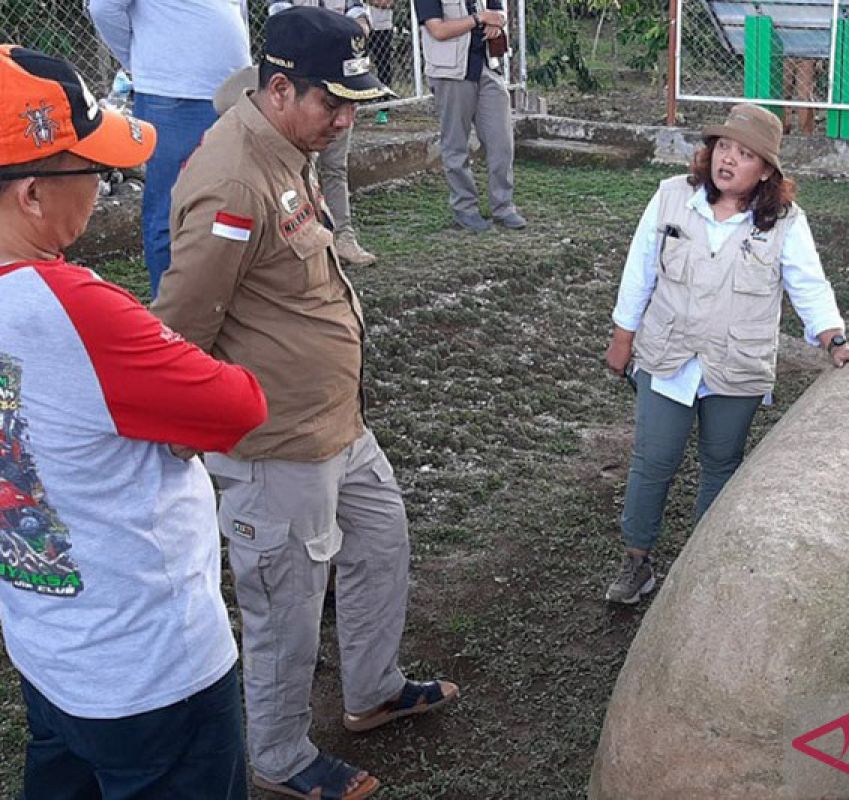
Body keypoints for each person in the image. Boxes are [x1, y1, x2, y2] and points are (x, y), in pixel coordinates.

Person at [153, 9, 458, 799]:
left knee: (381, 544)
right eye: (336, 102)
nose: (348, 119)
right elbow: (185, 327)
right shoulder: (231, 179)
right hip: (277, 441)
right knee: (285, 606)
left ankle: (371, 690)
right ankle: (281, 757)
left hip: (337, 425)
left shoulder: (290, 145)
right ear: (280, 88)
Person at [0, 45, 267, 798]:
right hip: (151, 672)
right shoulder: (78, 313)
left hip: (47, 647)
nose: (106, 186)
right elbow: (235, 405)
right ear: (30, 195)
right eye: (94, 171)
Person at [602, 104, 849, 604]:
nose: (728, 160)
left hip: (737, 366)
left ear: (766, 171)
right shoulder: (671, 198)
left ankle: (700, 570)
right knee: (652, 461)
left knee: (720, 463)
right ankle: (636, 561)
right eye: (723, 147)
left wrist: (834, 341)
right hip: (668, 356)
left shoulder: (785, 223)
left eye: (745, 154)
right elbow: (639, 268)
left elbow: (808, 285)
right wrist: (623, 336)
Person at [87, 0, 252, 298]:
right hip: (174, 95)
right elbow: (103, 8)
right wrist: (145, 64)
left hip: (230, 94)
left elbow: (237, 11)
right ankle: (172, 312)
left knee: (232, 199)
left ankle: (217, 303)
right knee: (169, 208)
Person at [267, 0, 379, 266]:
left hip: (343, 80)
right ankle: (309, 240)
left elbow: (360, 15)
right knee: (303, 170)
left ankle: (343, 238)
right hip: (305, 87)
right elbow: (280, 19)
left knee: (336, 167)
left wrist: (353, 31)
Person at [417, 0, 526, 232]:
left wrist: (497, 21)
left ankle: (503, 206)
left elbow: (498, 10)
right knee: (455, 145)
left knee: (501, 141)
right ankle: (465, 209)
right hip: (451, 72)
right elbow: (438, 30)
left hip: (486, 67)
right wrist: (479, 19)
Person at [367, 0, 397, 124]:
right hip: (361, 23)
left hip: (382, 26)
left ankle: (383, 107)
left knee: (383, 65)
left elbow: (388, 3)